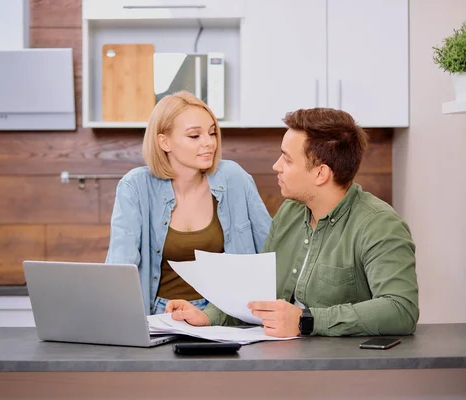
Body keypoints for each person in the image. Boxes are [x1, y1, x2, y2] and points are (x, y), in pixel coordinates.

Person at [166, 108, 419, 337]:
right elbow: (258, 292)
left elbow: (401, 309)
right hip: (281, 362)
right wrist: (209, 316)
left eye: (287, 160)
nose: (276, 166)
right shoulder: (290, 212)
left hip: (344, 372)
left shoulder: (379, 225)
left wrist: (306, 321)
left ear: (321, 173)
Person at [106, 91, 272, 315]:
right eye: (195, 136)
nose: (209, 143)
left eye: (212, 133)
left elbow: (269, 247)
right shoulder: (135, 186)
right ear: (164, 142)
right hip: (161, 314)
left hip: (224, 313)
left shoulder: (234, 178)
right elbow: (120, 266)